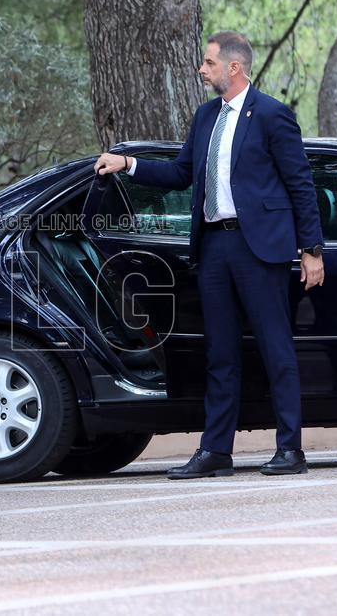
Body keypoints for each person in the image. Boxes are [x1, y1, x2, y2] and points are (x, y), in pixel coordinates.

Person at [94, 31, 325, 478]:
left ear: (233, 68)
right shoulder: (205, 117)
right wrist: (129, 164)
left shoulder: (273, 116)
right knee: (220, 354)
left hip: (261, 249)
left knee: (276, 349)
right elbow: (181, 174)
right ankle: (216, 450)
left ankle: (290, 450)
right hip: (214, 246)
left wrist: (311, 250)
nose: (202, 70)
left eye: (208, 63)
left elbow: (301, 186)